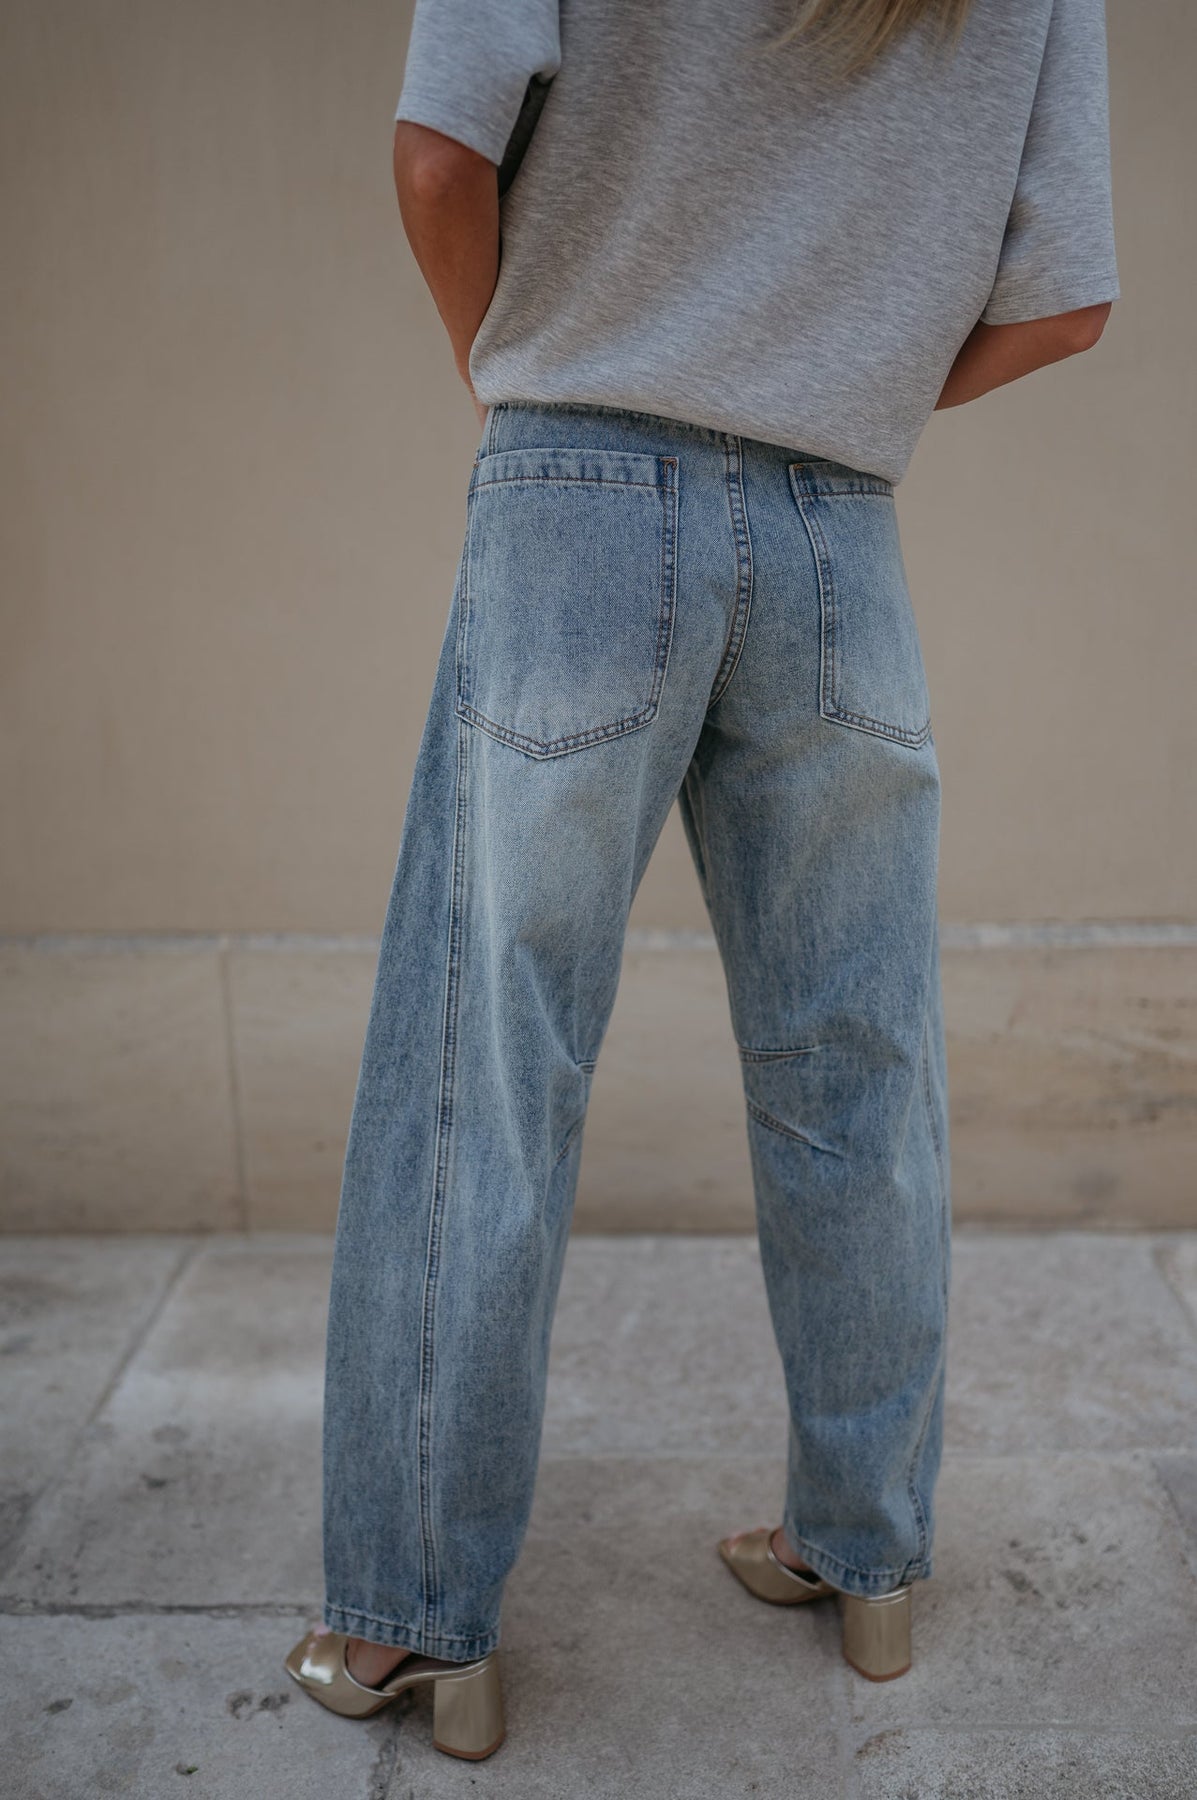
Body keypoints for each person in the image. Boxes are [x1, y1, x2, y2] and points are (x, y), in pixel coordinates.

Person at [285, 0, 1120, 1760]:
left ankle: (412, 1626)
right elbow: (1064, 303)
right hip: (838, 534)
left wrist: (520, 364)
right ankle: (863, 1558)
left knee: (482, 1073)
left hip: (577, 488)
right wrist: (833, 376)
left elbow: (437, 157)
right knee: (855, 1067)